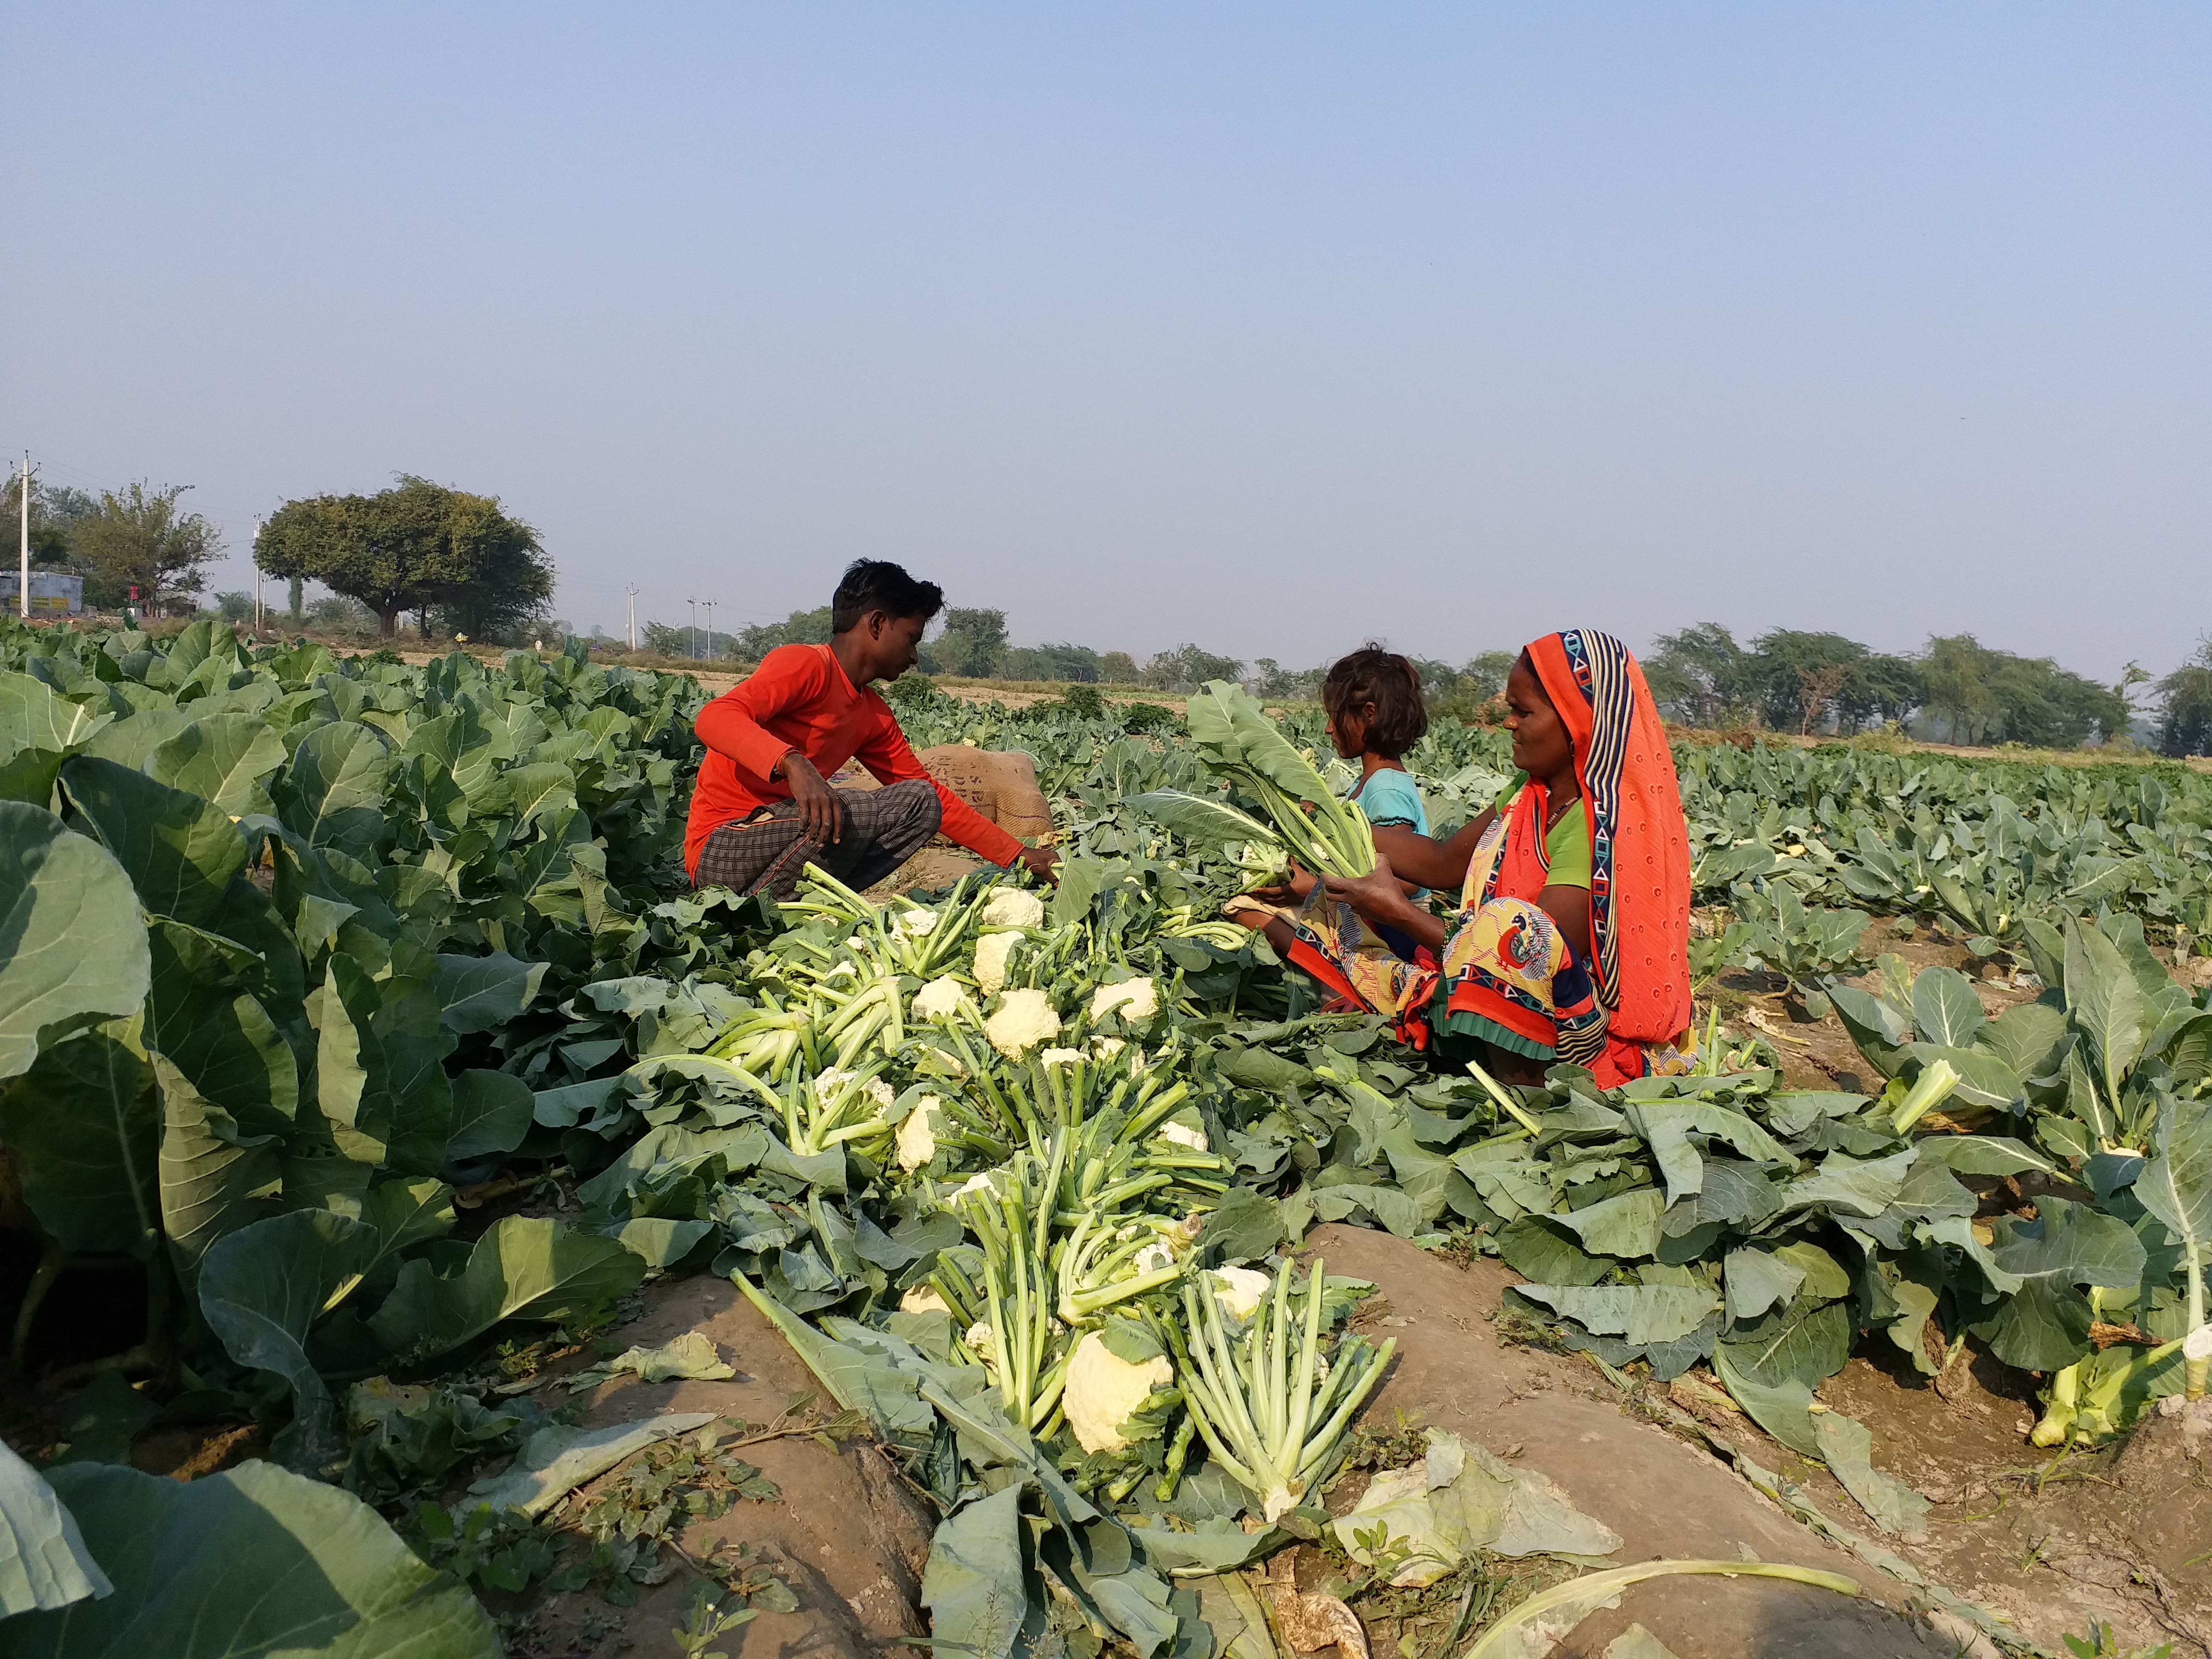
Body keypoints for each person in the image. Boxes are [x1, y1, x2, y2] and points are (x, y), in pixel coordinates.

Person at [1281, 629, 1693, 1088]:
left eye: (1523, 712)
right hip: (1491, 975)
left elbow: (1529, 954)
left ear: (1580, 721)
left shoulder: (1597, 827)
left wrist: (1396, 911)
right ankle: (1371, 1031)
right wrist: (1334, 824)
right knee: (1337, 904)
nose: (1509, 724)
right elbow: (1441, 863)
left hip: (1571, 1030)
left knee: (1513, 926)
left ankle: (1526, 1096)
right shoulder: (1529, 794)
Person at [685, 560, 1060, 900]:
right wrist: (792, 763)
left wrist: (1017, 854)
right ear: (878, 624)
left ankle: (771, 909)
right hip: (722, 848)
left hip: (777, 851)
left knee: (921, 803)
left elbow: (935, 799)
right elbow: (715, 717)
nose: (914, 656)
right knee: (854, 807)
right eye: (912, 638)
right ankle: (754, 906)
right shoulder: (806, 665)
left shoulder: (873, 715)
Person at [1228, 645, 1432, 960]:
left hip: (1392, 930)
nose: (1328, 728)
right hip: (1366, 913)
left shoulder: (1385, 789)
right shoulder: (1371, 780)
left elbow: (1403, 882)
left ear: (1369, 714)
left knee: (1246, 910)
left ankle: (1332, 979)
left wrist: (1315, 890)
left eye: (1334, 718)